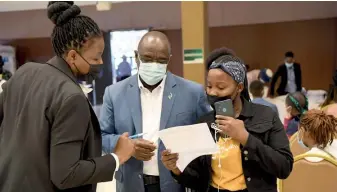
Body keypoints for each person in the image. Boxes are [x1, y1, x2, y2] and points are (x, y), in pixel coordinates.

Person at [0, 2, 135, 192]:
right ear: (72, 56)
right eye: (96, 58)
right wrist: (118, 157)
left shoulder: (23, 72)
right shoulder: (72, 97)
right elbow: (66, 174)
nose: (101, 62)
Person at [161, 47, 293, 192]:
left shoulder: (266, 115)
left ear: (239, 87)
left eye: (221, 87)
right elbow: (198, 181)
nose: (212, 92)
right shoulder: (204, 123)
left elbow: (284, 167)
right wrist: (176, 169)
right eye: (209, 86)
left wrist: (245, 138)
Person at [100, 31, 211, 192]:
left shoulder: (192, 93)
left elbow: (206, 137)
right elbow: (102, 136)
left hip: (176, 184)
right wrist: (127, 147)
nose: (154, 65)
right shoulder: (114, 93)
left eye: (161, 61)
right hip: (132, 184)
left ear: (169, 59)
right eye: (147, 58)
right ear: (136, 56)